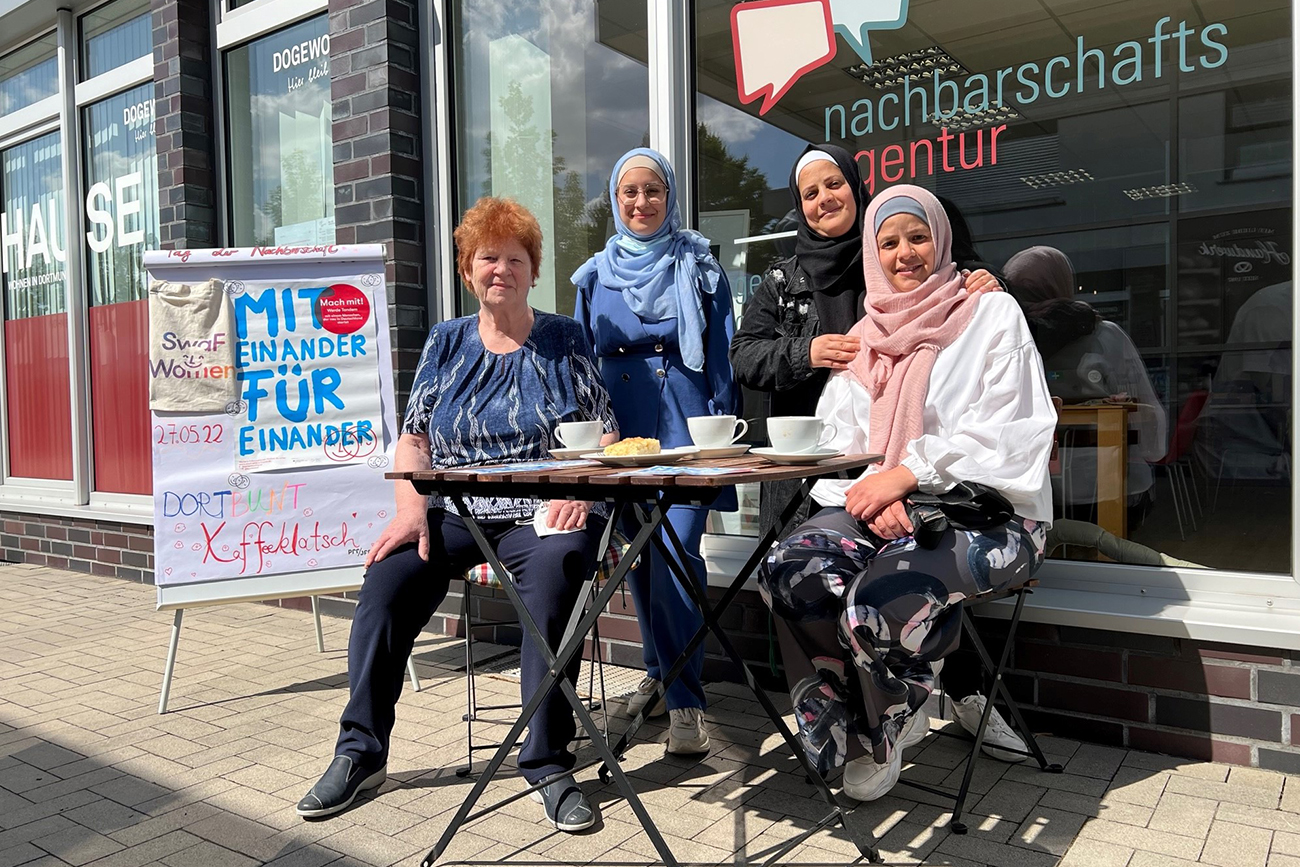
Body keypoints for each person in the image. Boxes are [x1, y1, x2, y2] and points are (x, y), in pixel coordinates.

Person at [297, 197, 618, 832]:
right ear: (468, 270)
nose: (501, 269)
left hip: (539, 511)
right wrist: (410, 507)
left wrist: (575, 489)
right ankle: (360, 752)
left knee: (556, 577)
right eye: (487, 257)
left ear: (533, 270)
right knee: (385, 582)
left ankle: (548, 762)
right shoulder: (445, 341)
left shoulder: (565, 339)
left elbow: (605, 433)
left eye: (515, 258)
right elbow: (413, 439)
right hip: (453, 512)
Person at [757, 185, 1056, 803]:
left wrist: (910, 474)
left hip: (994, 517)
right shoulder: (866, 338)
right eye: (888, 241)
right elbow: (837, 444)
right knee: (790, 568)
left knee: (881, 596)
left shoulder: (991, 314)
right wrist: (879, 487)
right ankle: (842, 721)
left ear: (941, 240)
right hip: (885, 509)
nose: (904, 253)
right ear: (872, 252)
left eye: (917, 236)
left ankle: (886, 724)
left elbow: (1016, 433)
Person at [572, 148, 737, 755]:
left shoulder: (700, 268)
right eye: (628, 193)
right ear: (616, 202)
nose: (641, 203)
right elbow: (582, 369)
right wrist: (591, 440)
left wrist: (722, 433)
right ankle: (658, 675)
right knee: (640, 558)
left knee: (672, 551)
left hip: (689, 429)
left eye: (652, 191)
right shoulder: (593, 276)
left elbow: (719, 356)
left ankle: (687, 701)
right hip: (624, 435)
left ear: (670, 197)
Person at [1005, 246, 1167, 531]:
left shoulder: (1003, 340)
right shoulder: (1105, 335)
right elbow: (1148, 424)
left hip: (1026, 495)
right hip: (1111, 490)